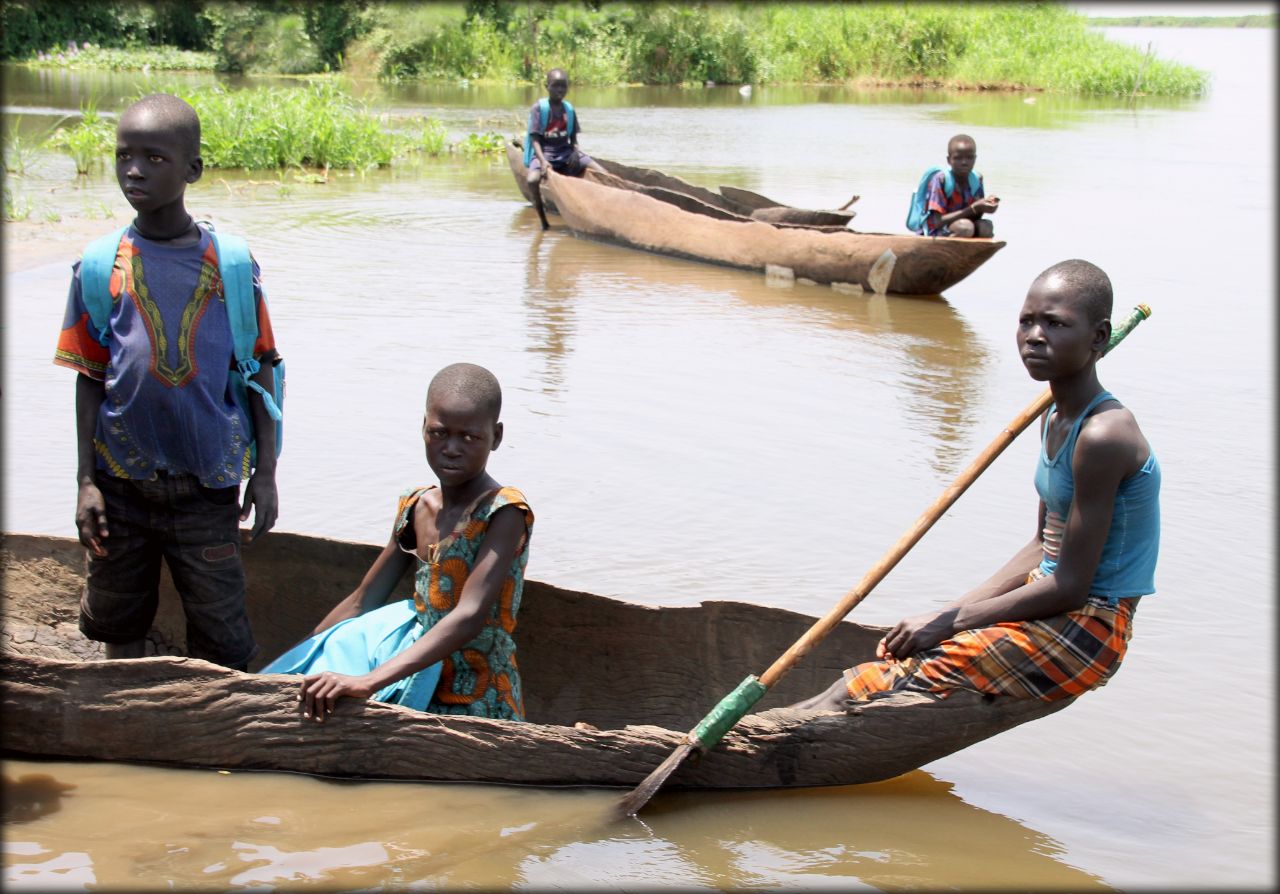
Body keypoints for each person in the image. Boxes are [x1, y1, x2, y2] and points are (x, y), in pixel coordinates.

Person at [793, 259, 1160, 711]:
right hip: (1052, 602)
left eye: (1055, 324)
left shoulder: (1104, 436)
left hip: (1091, 626)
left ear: (1099, 337)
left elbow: (1070, 586)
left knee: (862, 688)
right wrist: (950, 612)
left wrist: (950, 623)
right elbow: (1041, 548)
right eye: (1026, 321)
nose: (1034, 336)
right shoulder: (1054, 417)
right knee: (889, 661)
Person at [54, 93, 280, 671]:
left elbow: (261, 374)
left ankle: (219, 730)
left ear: (192, 170)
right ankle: (120, 718)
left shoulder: (230, 266)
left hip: (208, 487)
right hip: (121, 483)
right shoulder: (101, 265)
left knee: (223, 636)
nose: (133, 170)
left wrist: (267, 476)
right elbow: (89, 379)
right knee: (116, 618)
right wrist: (86, 483)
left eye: (154, 158)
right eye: (124, 155)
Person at [260, 363, 535, 723]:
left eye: (470, 437)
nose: (451, 448)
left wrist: (368, 682)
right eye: (439, 433)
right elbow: (363, 601)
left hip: (477, 694)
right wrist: (292, 668)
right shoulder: (416, 505)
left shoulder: (504, 512)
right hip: (412, 677)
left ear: (496, 437)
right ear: (423, 428)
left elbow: (468, 616)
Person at [524, 67, 604, 229]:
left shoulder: (569, 109)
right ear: (547, 86)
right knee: (532, 180)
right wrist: (543, 161)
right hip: (544, 153)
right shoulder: (540, 108)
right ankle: (543, 221)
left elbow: (573, 138)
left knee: (603, 173)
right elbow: (535, 139)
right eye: (556, 85)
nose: (560, 90)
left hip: (566, 152)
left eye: (563, 86)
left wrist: (575, 152)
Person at [914, 133, 1000, 238]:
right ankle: (947, 253)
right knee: (965, 227)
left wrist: (985, 207)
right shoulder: (941, 180)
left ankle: (968, 253)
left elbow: (976, 216)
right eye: (958, 158)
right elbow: (937, 222)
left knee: (986, 226)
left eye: (969, 158)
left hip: (963, 228)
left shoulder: (976, 180)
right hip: (937, 232)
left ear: (975, 159)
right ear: (949, 160)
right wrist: (973, 208)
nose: (964, 162)